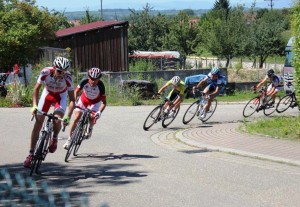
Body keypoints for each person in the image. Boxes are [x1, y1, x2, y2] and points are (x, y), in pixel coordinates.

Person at [23, 57, 75, 168]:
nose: (62, 74)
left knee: (57, 119)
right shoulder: (45, 72)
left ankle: (55, 138)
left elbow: (72, 100)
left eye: (64, 72)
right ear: (54, 68)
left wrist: (68, 117)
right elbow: (36, 89)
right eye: (59, 71)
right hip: (47, 94)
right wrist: (34, 106)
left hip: (60, 97)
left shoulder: (68, 78)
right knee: (38, 121)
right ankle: (31, 154)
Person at [63, 67, 107, 149]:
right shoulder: (84, 81)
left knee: (92, 117)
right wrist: (75, 101)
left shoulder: (101, 85)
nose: (93, 81)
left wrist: (99, 112)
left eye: (95, 79)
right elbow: (76, 91)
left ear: (99, 79)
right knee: (76, 117)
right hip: (84, 100)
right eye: (91, 78)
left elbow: (104, 102)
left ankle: (90, 127)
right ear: (88, 77)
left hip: (95, 102)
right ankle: (69, 140)